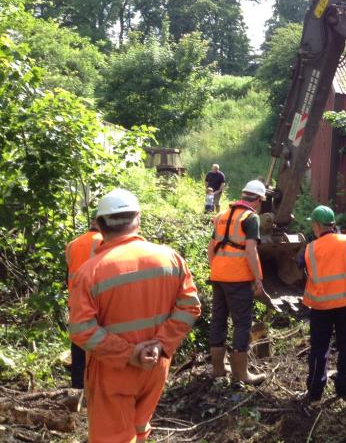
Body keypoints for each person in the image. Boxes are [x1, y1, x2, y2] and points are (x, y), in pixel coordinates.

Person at [68, 188, 201, 443]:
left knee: (113, 437)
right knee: (140, 427)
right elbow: (190, 307)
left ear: (100, 225)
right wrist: (160, 344)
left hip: (113, 370)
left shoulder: (91, 272)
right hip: (156, 365)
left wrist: (129, 354)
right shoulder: (170, 258)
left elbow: (81, 329)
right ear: (138, 219)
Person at [300, 205, 346, 402]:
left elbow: (302, 271)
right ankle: (343, 389)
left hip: (321, 307)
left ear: (316, 225)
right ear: (333, 224)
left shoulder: (310, 249)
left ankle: (314, 391)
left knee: (319, 348)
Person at [207, 179, 268, 385]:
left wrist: (216, 269)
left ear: (243, 195)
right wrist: (258, 277)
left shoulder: (222, 215)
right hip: (238, 279)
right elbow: (250, 250)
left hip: (218, 276)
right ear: (258, 200)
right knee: (242, 324)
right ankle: (241, 374)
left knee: (218, 319)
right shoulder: (251, 218)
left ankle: (218, 369)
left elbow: (211, 248)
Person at [64, 211, 103, 390]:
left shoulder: (72, 244)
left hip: (75, 301)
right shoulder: (103, 241)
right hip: (96, 299)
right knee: (98, 343)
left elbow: (68, 275)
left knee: (78, 343)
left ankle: (77, 387)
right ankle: (95, 386)